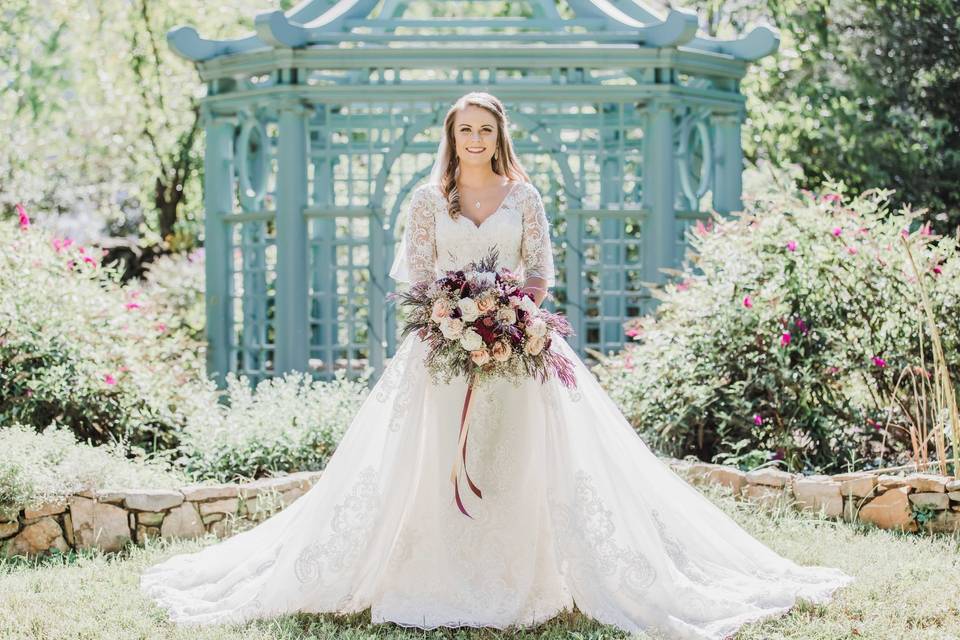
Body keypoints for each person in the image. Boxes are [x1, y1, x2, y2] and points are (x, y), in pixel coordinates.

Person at [140, 91, 854, 639]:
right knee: (430, 467)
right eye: (464, 129)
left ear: (498, 136)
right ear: (451, 138)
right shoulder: (429, 199)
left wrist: (510, 316)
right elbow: (418, 275)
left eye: (485, 129)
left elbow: (540, 269)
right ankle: (439, 573)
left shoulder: (525, 195)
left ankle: (525, 580)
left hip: (522, 350)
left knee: (517, 460)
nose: (475, 139)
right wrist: (455, 315)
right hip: (441, 355)